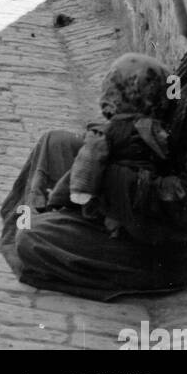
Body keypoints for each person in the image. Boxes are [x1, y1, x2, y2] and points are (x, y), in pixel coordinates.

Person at [0, 0, 187, 300]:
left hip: (168, 244)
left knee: (35, 237)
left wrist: (108, 177)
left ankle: (56, 224)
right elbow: (167, 107)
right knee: (55, 143)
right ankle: (61, 217)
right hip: (142, 180)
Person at [46, 54, 171, 237]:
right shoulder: (153, 129)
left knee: (77, 172)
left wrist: (76, 193)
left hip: (122, 190)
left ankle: (54, 205)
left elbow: (87, 163)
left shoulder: (106, 132)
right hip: (141, 189)